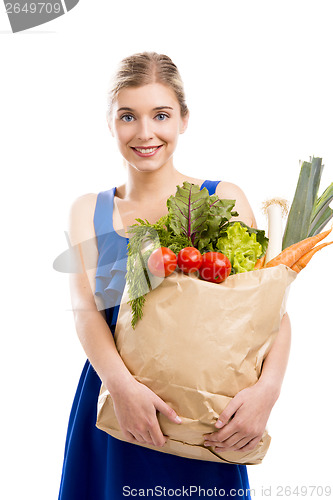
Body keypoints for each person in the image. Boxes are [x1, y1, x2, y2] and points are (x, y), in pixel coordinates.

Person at [58, 52, 291, 500]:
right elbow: (87, 313)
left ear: (183, 119)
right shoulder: (89, 209)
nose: (145, 133)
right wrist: (123, 388)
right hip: (116, 408)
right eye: (128, 116)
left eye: (160, 115)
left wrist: (268, 390)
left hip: (203, 415)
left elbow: (268, 311)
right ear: (111, 124)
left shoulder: (222, 198)